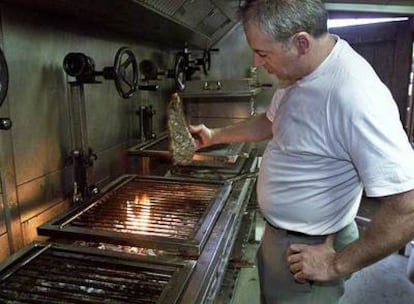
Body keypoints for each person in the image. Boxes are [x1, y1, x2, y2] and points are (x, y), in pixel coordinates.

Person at [189, 0, 414, 303]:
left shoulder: (355, 96)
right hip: (280, 237)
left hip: (310, 249)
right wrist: (214, 136)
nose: (256, 62)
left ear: (301, 42)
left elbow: (408, 207)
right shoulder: (297, 75)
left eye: (263, 52)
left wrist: (335, 263)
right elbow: (271, 123)